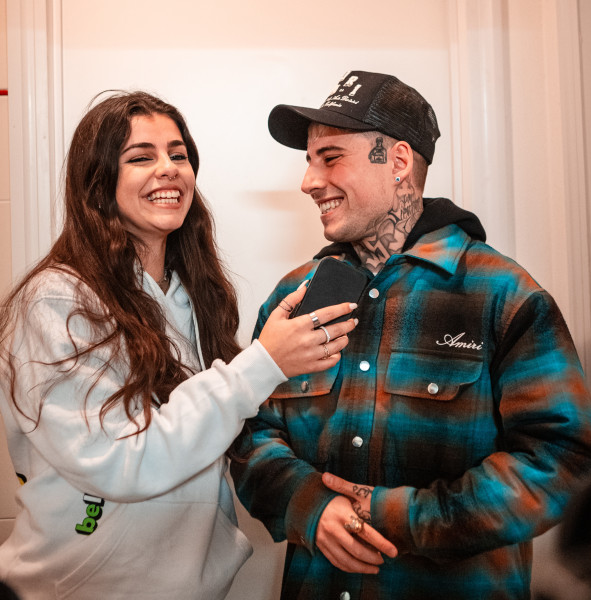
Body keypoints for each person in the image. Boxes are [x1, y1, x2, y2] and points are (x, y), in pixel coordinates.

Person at [230, 70, 591, 600]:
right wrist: (311, 507)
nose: (309, 181)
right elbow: (250, 433)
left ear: (399, 161)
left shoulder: (502, 295)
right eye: (309, 161)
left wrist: (404, 518)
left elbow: (562, 456)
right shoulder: (294, 297)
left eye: (330, 158)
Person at [0, 91, 357, 600]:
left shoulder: (194, 298)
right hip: (74, 588)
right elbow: (119, 460)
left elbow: (220, 429)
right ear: (98, 182)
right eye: (140, 157)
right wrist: (262, 364)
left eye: (178, 154)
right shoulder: (57, 300)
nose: (168, 169)